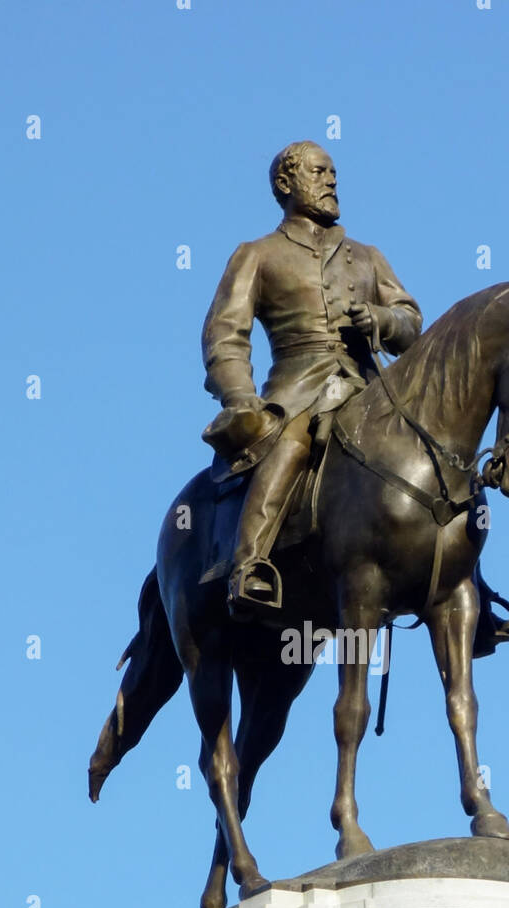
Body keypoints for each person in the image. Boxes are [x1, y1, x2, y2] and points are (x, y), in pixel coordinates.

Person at [201, 140, 422, 615]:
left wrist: (382, 320)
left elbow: (411, 321)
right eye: (319, 172)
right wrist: (241, 398)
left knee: (433, 450)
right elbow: (225, 335)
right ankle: (250, 564)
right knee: (291, 446)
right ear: (286, 184)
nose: (331, 181)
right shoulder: (257, 254)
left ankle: (471, 590)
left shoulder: (367, 256)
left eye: (334, 173)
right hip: (299, 389)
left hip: (368, 386)